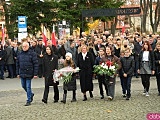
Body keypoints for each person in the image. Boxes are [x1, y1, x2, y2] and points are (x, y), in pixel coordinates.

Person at [16, 42, 38, 106]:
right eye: (23, 46)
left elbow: (35, 64)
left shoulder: (32, 53)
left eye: (25, 46)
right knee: (23, 86)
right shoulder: (20, 53)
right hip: (22, 72)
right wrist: (17, 73)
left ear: (28, 46)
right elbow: (17, 64)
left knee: (28, 87)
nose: (24, 47)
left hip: (29, 72)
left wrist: (35, 74)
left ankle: (28, 100)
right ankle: (31, 94)